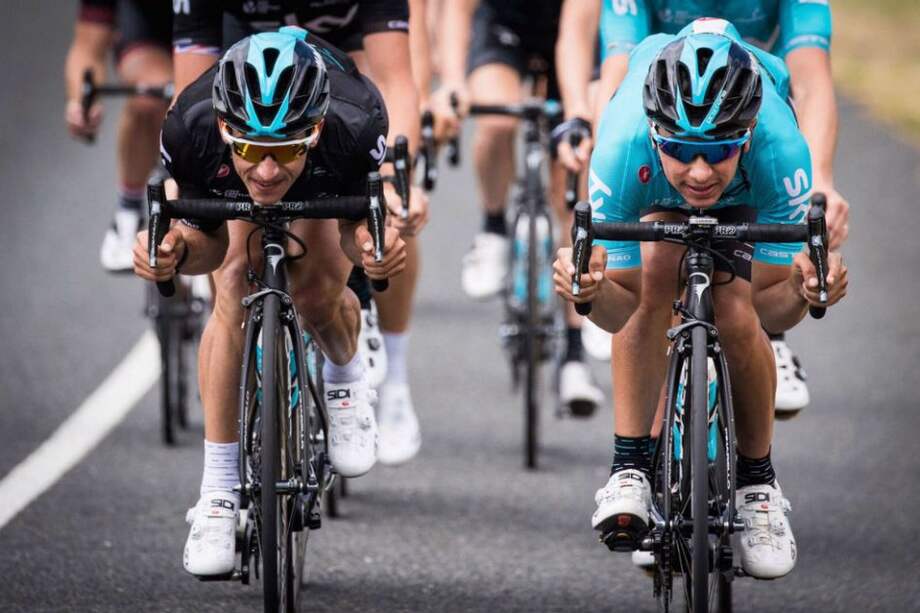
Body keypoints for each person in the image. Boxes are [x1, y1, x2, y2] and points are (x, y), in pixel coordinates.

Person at [553, 19, 848, 578]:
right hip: (649, 193)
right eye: (681, 151)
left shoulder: (780, 149)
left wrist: (808, 291)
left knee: (738, 310)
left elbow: (772, 310)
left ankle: (758, 485)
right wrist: (587, 293)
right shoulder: (620, 145)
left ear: (748, 131)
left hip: (748, 198)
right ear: (654, 132)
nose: (698, 172)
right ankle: (629, 467)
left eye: (718, 152)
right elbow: (620, 308)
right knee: (654, 275)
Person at [133, 27, 406, 576]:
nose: (265, 170)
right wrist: (169, 252)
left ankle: (347, 379)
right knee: (233, 280)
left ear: (317, 129)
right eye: (252, 149)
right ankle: (217, 491)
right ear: (226, 130)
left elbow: (359, 228)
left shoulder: (356, 121)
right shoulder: (190, 127)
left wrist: (376, 249)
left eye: (283, 151)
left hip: (327, 185)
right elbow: (203, 245)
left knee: (316, 292)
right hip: (223, 198)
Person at [555, 0, 850, 413]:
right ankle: (640, 452)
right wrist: (613, 163)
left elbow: (812, 80)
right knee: (655, 271)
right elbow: (618, 75)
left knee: (750, 290)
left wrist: (818, 182)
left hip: (758, 117)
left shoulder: (772, 135)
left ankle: (772, 343)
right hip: (665, 99)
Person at [170, 0, 428, 464]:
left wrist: (389, 178)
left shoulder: (354, 106)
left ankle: (371, 371)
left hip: (341, 80)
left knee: (321, 284)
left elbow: (394, 81)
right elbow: (191, 92)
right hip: (242, 76)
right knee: (230, 277)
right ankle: (221, 486)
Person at [432, 0, 604, 414]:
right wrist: (453, 79)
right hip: (504, 24)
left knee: (570, 177)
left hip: (569, 32)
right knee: (496, 121)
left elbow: (575, 36)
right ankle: (493, 227)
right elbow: (458, 11)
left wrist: (577, 112)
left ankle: (575, 354)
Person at [64, 0, 172, 272]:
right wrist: (81, 100)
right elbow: (87, 48)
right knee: (149, 95)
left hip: (216, 28)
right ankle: (128, 211)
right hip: (148, 32)